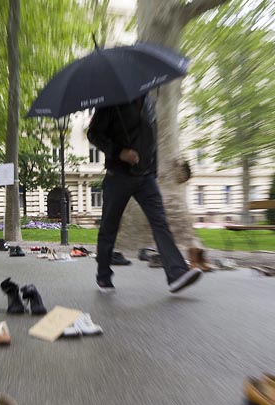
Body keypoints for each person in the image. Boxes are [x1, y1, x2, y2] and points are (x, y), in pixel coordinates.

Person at [87, 94, 202, 294]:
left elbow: (152, 140)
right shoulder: (110, 102)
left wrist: (153, 172)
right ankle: (103, 276)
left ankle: (176, 274)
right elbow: (93, 134)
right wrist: (119, 152)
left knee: (160, 223)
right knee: (109, 227)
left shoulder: (148, 101)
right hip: (118, 176)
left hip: (146, 177)